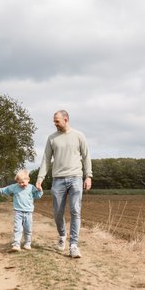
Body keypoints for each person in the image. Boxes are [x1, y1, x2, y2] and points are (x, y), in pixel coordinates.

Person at [36, 110, 92, 258]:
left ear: (66, 119)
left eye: (57, 121)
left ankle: (73, 245)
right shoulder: (52, 138)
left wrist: (88, 176)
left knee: (75, 210)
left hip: (76, 178)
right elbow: (46, 160)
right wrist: (40, 178)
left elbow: (86, 157)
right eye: (54, 121)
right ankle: (62, 235)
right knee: (58, 213)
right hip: (58, 180)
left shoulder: (79, 136)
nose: (55, 124)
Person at [0, 169, 43, 251]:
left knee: (28, 229)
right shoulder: (14, 187)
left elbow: (37, 196)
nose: (21, 184)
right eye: (19, 182)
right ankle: (16, 245)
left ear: (28, 179)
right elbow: (6, 189)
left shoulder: (31, 188)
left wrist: (40, 190)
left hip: (28, 213)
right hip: (18, 212)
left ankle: (27, 243)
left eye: (23, 182)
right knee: (17, 229)